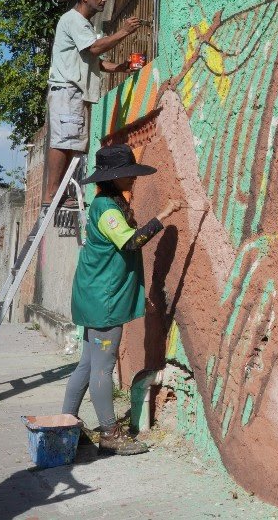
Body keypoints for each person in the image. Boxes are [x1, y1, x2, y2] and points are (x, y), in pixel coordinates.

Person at [62, 143, 182, 455]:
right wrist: (162, 216)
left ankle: (65, 428)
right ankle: (110, 435)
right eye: (127, 175)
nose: (132, 179)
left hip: (94, 295)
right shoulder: (106, 209)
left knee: (87, 366)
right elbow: (132, 243)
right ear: (113, 177)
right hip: (103, 300)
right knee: (102, 368)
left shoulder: (104, 205)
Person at [44, 0, 146, 212]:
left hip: (75, 93)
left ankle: (59, 194)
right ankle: (52, 195)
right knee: (63, 142)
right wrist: (123, 32)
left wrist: (119, 68)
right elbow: (94, 48)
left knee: (72, 143)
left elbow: (94, 61)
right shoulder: (74, 20)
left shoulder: (84, 25)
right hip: (68, 91)